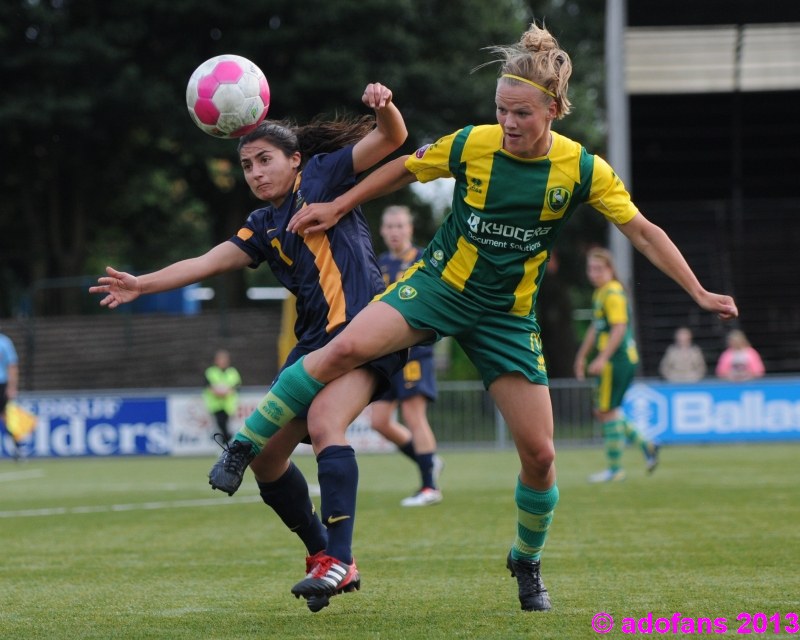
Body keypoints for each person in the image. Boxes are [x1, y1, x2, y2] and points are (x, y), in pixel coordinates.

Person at [213, 22, 738, 612]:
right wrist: (338, 203)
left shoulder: (583, 170)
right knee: (338, 350)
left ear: (554, 110)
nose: (509, 124)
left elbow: (641, 230)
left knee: (540, 457)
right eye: (501, 110)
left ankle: (527, 560)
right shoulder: (472, 144)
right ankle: (243, 448)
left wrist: (697, 290)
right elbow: (406, 166)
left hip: (507, 318)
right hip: (437, 287)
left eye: (522, 114)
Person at [90, 81, 408, 613]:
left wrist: (385, 105)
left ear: (296, 160)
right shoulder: (262, 225)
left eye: (266, 160)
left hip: (363, 331)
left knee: (328, 421)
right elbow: (207, 261)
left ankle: (342, 559)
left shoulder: (325, 175)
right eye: (247, 165)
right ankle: (322, 554)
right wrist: (142, 284)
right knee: (266, 459)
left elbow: (391, 139)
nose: (257, 172)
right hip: (312, 346)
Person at [372, 204, 443, 507]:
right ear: (382, 231)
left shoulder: (424, 259)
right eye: (389, 226)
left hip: (415, 353)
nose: (395, 231)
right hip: (386, 354)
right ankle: (428, 461)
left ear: (410, 229)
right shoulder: (380, 263)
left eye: (400, 225)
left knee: (414, 416)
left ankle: (429, 487)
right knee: (379, 421)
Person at [573, 248, 659, 483]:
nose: (594, 273)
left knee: (605, 411)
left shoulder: (612, 293)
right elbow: (596, 327)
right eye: (591, 268)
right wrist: (582, 355)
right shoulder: (601, 293)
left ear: (610, 269)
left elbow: (619, 327)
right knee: (607, 411)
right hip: (616, 360)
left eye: (599, 268)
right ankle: (647, 445)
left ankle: (615, 469)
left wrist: (601, 358)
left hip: (616, 360)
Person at [203, 349, 241, 443]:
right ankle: (228, 443)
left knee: (226, 426)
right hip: (216, 405)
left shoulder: (232, 372)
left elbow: (236, 386)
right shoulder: (211, 372)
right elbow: (207, 385)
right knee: (220, 424)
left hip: (229, 405)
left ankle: (227, 443)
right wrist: (217, 392)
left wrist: (227, 392)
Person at [0, 329, 20, 460]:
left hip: (1, 384)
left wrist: (12, 387)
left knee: (4, 417)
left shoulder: (4, 342)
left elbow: (12, 366)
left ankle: (16, 448)